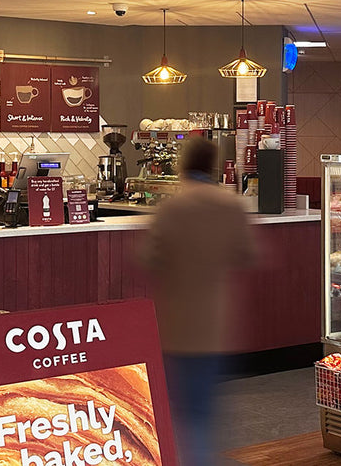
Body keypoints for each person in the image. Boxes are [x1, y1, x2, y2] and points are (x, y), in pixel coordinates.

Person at [139, 138, 256, 466]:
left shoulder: (172, 208)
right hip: (216, 321)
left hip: (176, 322)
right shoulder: (231, 205)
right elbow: (248, 254)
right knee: (207, 405)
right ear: (213, 166)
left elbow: (149, 257)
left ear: (183, 166)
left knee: (179, 407)